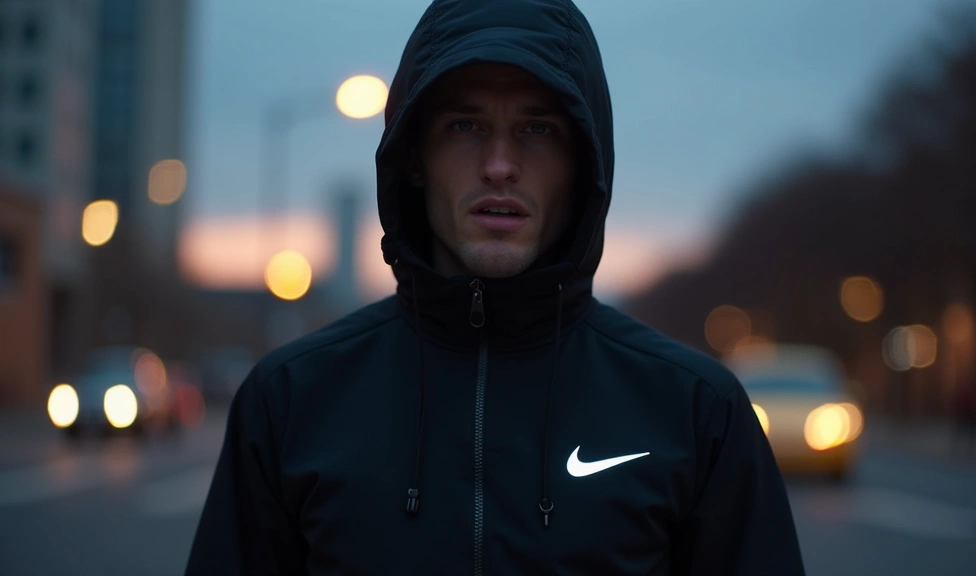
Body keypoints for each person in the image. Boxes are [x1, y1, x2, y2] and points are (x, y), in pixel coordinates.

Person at [185, 0, 805, 574]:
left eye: (538, 129)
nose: (500, 163)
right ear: (415, 159)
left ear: (583, 163)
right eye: (464, 126)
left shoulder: (696, 411)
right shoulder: (290, 401)